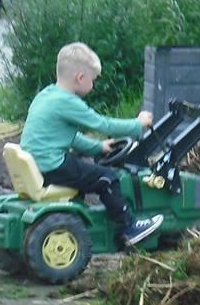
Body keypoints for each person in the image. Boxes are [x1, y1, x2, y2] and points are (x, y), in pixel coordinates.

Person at [19, 42, 163, 246]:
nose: (93, 85)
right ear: (80, 78)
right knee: (107, 178)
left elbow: (68, 137)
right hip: (51, 165)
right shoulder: (68, 102)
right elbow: (103, 124)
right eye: (93, 80)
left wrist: (98, 147)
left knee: (86, 169)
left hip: (39, 162)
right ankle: (129, 227)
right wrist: (137, 124)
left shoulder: (46, 95)